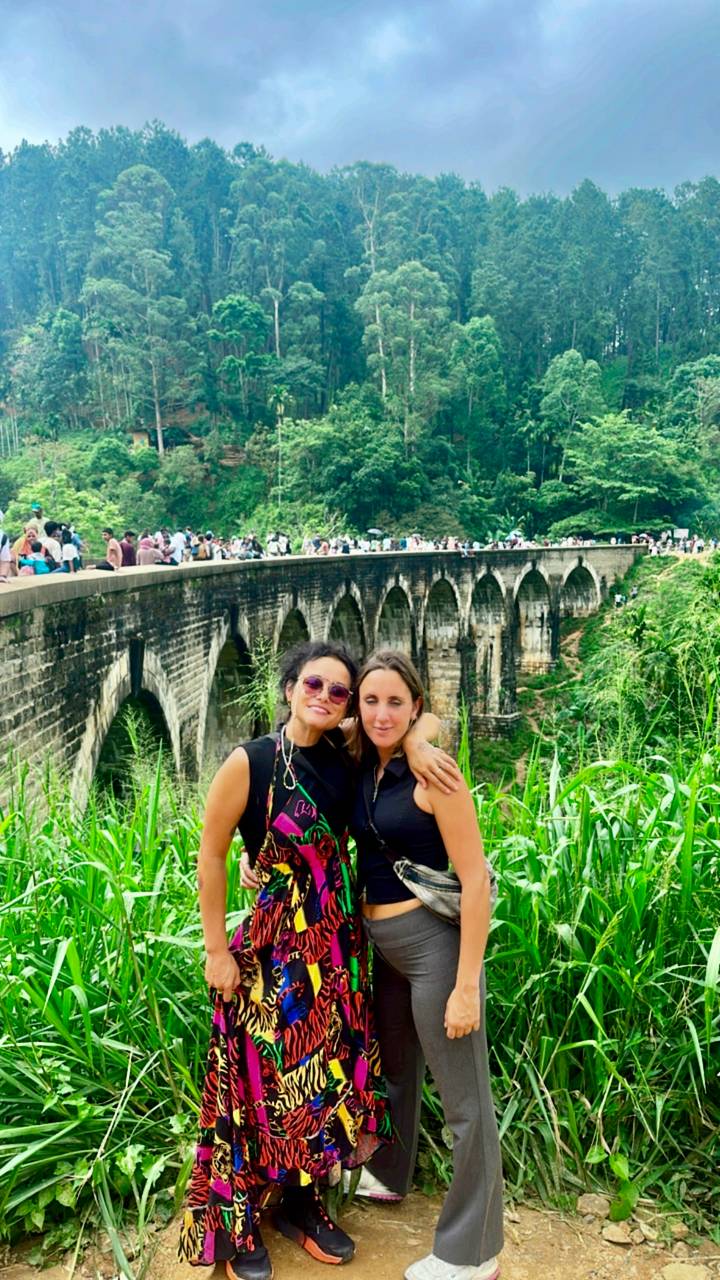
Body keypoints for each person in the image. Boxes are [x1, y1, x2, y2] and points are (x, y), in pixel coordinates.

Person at [179, 641, 459, 1280]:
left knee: (322, 1078)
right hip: (274, 949)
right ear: (289, 688)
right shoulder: (248, 763)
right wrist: (216, 949)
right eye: (315, 684)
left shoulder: (348, 752)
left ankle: (302, 1206)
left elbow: (416, 715)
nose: (327, 698)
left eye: (340, 692)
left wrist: (418, 743)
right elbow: (212, 852)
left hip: (337, 948)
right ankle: (243, 1215)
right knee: (259, 1082)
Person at [351, 651, 504, 1280]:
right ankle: (389, 1173)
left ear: (415, 704)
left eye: (397, 702)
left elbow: (475, 882)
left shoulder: (435, 776)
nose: (381, 713)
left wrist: (467, 985)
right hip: (382, 948)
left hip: (434, 947)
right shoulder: (365, 759)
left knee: (465, 1101)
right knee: (396, 1068)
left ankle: (474, 1253)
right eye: (370, 701)